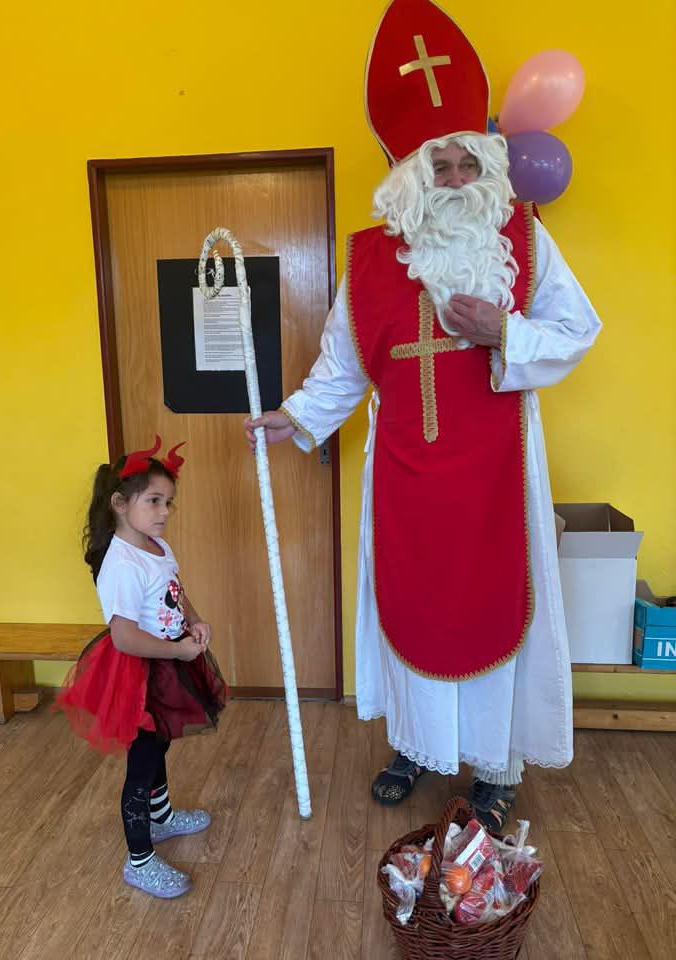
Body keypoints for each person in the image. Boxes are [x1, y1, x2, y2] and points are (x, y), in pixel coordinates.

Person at [245, 0, 601, 830]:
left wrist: (506, 333)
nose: (456, 179)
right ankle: (416, 746)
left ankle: (497, 768)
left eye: (468, 162)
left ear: (488, 164)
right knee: (410, 608)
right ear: (408, 174)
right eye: (439, 166)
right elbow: (344, 363)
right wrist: (296, 417)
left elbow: (579, 330)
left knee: (496, 608)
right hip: (405, 478)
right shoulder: (370, 260)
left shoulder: (523, 240)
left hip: (498, 480)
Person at [56, 436, 227, 898]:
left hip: (169, 661)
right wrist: (179, 652)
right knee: (143, 760)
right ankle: (139, 859)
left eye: (168, 502)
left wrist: (194, 621)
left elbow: (175, 590)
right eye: (154, 501)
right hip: (139, 672)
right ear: (119, 503)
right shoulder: (121, 564)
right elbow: (124, 636)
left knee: (161, 743)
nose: (164, 511)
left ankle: (162, 816)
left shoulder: (155, 546)